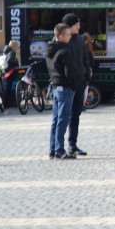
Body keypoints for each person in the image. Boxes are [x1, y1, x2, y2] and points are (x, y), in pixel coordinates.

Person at [46, 23, 85, 160]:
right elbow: (70, 72)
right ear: (61, 36)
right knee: (62, 120)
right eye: (68, 34)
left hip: (56, 87)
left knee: (56, 120)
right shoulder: (65, 51)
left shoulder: (50, 49)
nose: (70, 36)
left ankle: (53, 149)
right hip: (66, 88)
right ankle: (59, 151)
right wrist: (75, 84)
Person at [63, 13, 91, 156]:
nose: (79, 26)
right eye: (76, 24)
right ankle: (58, 148)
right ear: (69, 26)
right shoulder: (62, 40)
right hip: (67, 85)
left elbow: (85, 59)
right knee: (63, 116)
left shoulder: (80, 39)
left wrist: (87, 78)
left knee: (76, 115)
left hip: (80, 83)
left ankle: (72, 145)